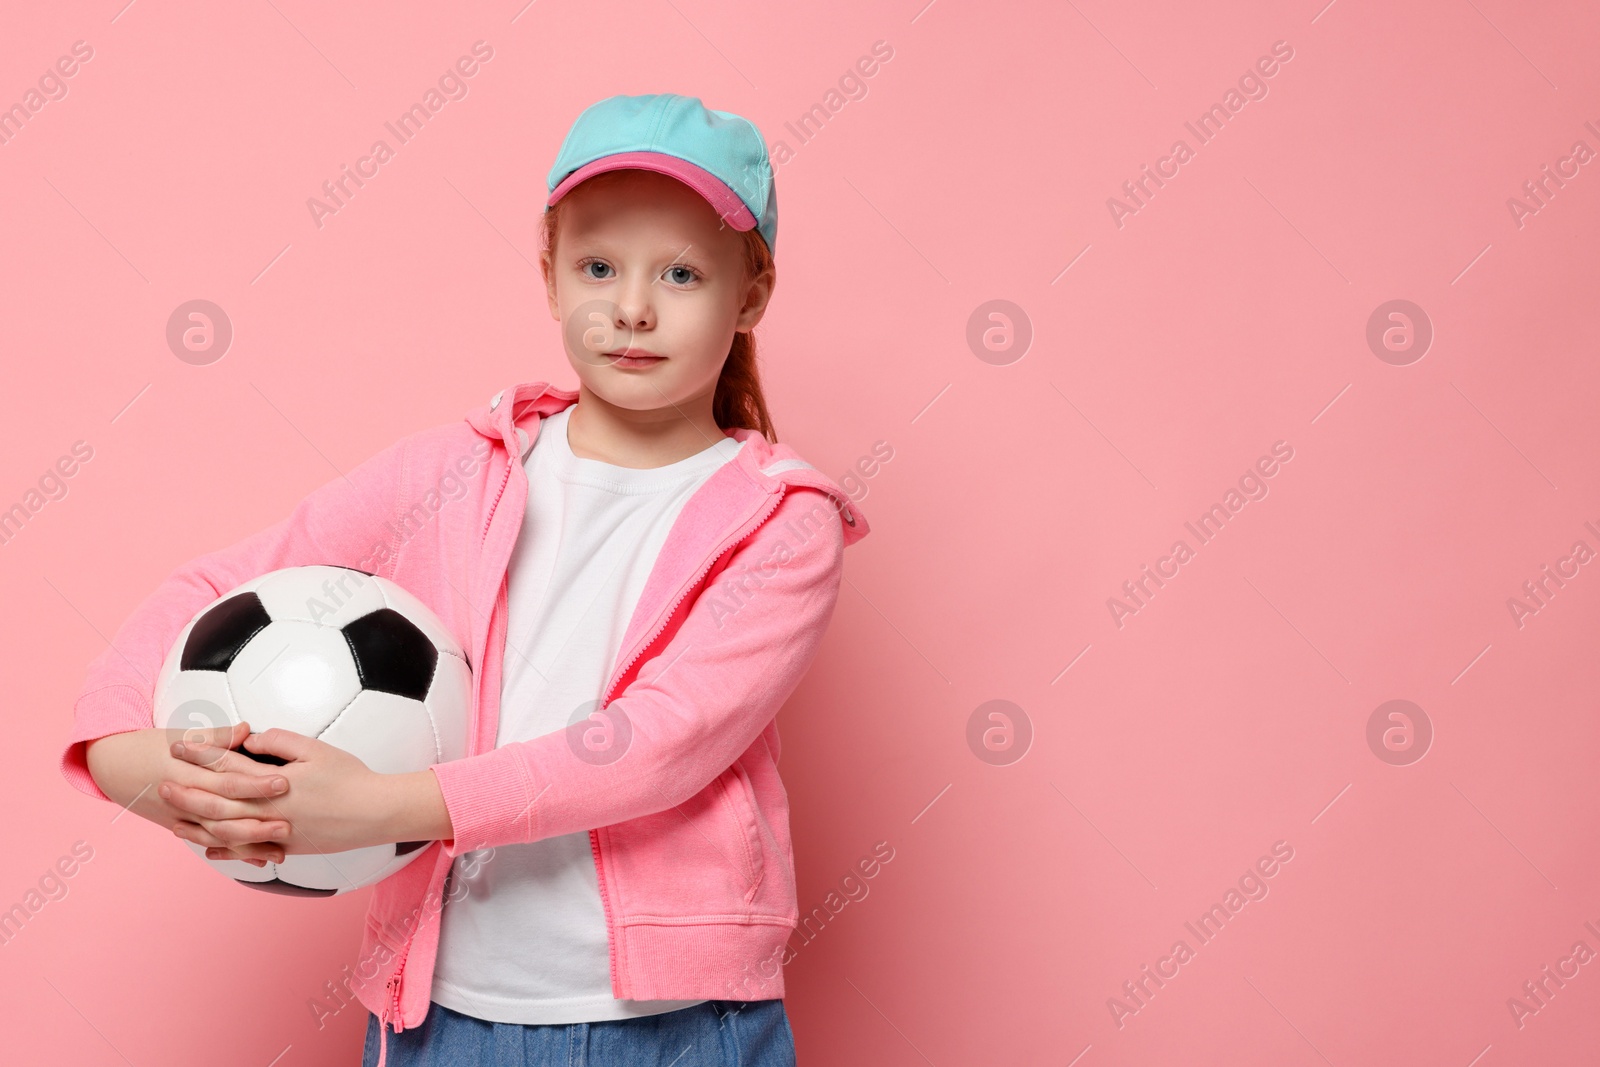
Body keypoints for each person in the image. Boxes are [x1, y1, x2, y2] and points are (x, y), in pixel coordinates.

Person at [59, 92, 871, 1067]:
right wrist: (131, 759)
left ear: (750, 294)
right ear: (550, 274)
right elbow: (226, 579)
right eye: (599, 266)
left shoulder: (782, 521)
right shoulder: (455, 471)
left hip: (676, 1027)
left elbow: (659, 740)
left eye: (683, 273)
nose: (632, 306)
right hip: (439, 1019)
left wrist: (382, 807)